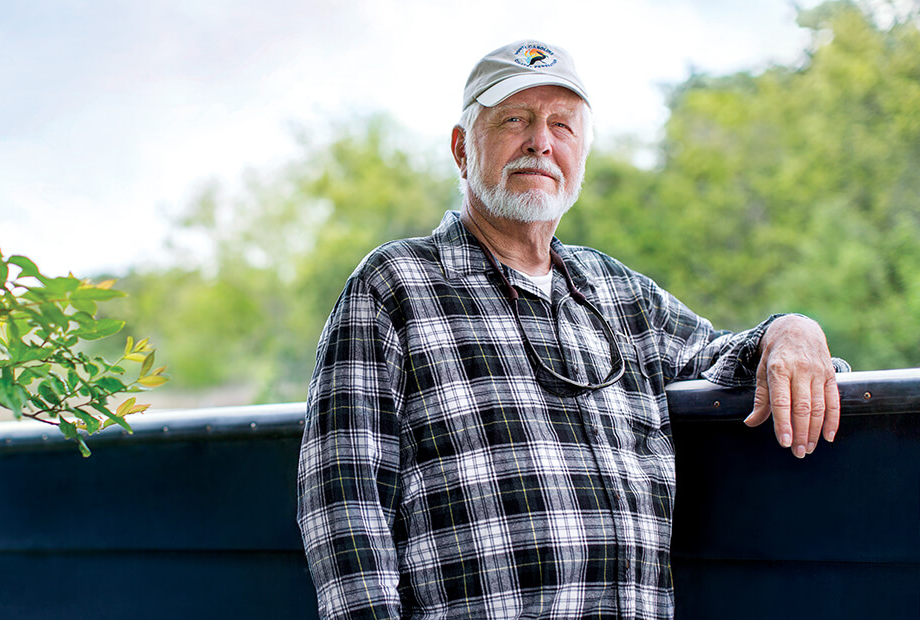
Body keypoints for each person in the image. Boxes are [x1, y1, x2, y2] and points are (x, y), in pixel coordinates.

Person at [296, 39, 847, 619]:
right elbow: (343, 505)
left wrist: (792, 330)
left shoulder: (620, 293)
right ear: (461, 148)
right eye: (515, 119)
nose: (541, 141)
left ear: (581, 152)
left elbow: (719, 358)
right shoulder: (393, 284)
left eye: (562, 125)